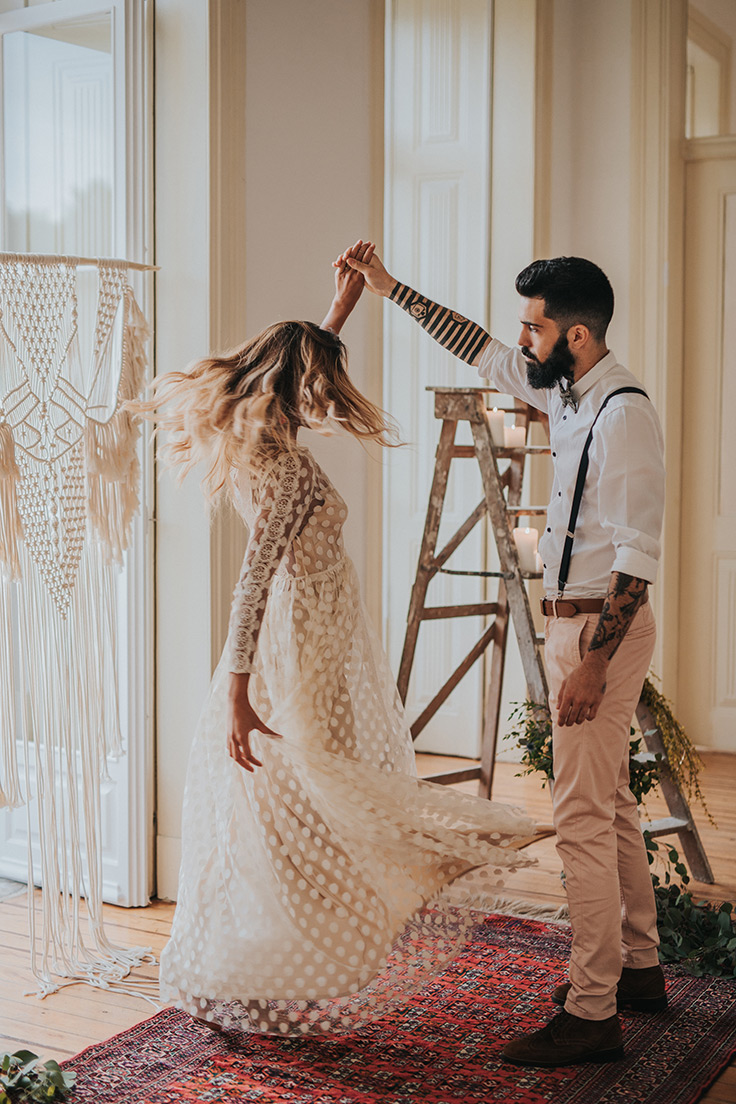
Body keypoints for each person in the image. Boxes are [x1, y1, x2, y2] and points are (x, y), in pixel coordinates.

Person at [143, 240, 536, 1038]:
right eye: (319, 380)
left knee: (316, 793)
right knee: (313, 794)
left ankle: (291, 946)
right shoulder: (283, 469)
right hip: (302, 639)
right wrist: (238, 695)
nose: (330, 397)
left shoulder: (272, 436)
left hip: (316, 632)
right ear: (295, 384)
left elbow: (299, 362)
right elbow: (251, 583)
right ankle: (277, 950)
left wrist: (342, 308)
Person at [343, 246, 666, 1067]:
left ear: (580, 334)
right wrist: (388, 290)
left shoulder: (623, 415)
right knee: (612, 799)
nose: (523, 338)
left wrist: (593, 659)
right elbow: (478, 347)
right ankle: (638, 968)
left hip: (600, 628)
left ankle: (592, 1013)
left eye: (537, 326)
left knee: (582, 817)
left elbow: (638, 553)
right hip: (576, 624)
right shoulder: (562, 388)